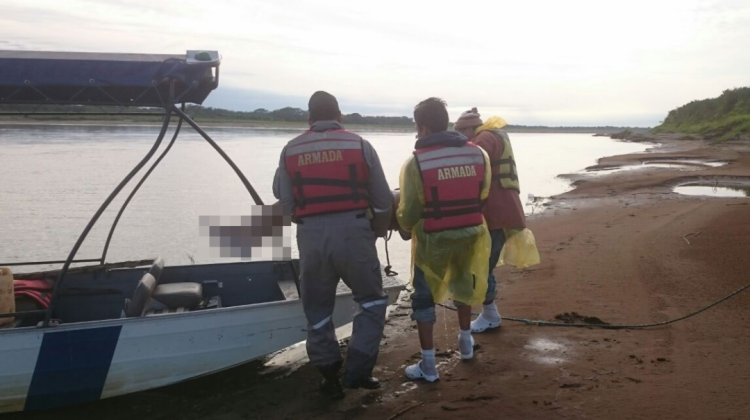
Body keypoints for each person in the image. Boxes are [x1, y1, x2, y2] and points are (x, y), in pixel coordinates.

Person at [272, 91, 393, 399]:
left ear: (309, 120)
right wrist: (376, 232)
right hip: (355, 232)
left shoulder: (290, 149)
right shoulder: (360, 145)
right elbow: (382, 201)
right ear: (340, 117)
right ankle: (358, 370)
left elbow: (284, 206)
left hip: (311, 237)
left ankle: (329, 376)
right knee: (372, 302)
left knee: (317, 309)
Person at [396, 98, 492, 382]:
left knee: (423, 297)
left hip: (433, 238)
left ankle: (428, 365)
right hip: (472, 231)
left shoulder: (416, 162)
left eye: (416, 126)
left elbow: (410, 209)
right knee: (464, 283)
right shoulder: (478, 154)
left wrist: (403, 225)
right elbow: (483, 193)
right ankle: (465, 344)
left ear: (423, 128)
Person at [453, 108, 527, 333]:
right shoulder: (494, 134)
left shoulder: (483, 139)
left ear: (468, 129)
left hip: (497, 212)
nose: (461, 138)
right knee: (485, 263)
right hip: (504, 211)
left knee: (483, 264)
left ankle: (491, 315)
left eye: (459, 133)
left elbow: (470, 168)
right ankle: (490, 313)